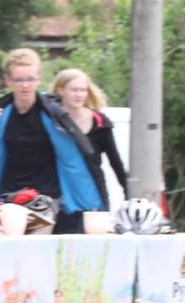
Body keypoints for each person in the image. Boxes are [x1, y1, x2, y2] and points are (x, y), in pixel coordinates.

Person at [0, 48, 104, 234]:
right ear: (9, 80)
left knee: (37, 256)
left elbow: (73, 160)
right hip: (6, 198)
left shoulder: (53, 115)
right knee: (2, 256)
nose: (25, 85)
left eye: (30, 79)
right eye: (19, 80)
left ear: (39, 78)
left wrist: (90, 202)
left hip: (45, 199)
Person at [52, 68, 128, 210]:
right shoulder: (51, 122)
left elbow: (115, 161)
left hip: (94, 195)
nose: (79, 95)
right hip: (61, 198)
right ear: (60, 90)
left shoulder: (100, 122)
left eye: (83, 90)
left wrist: (128, 194)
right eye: (74, 90)